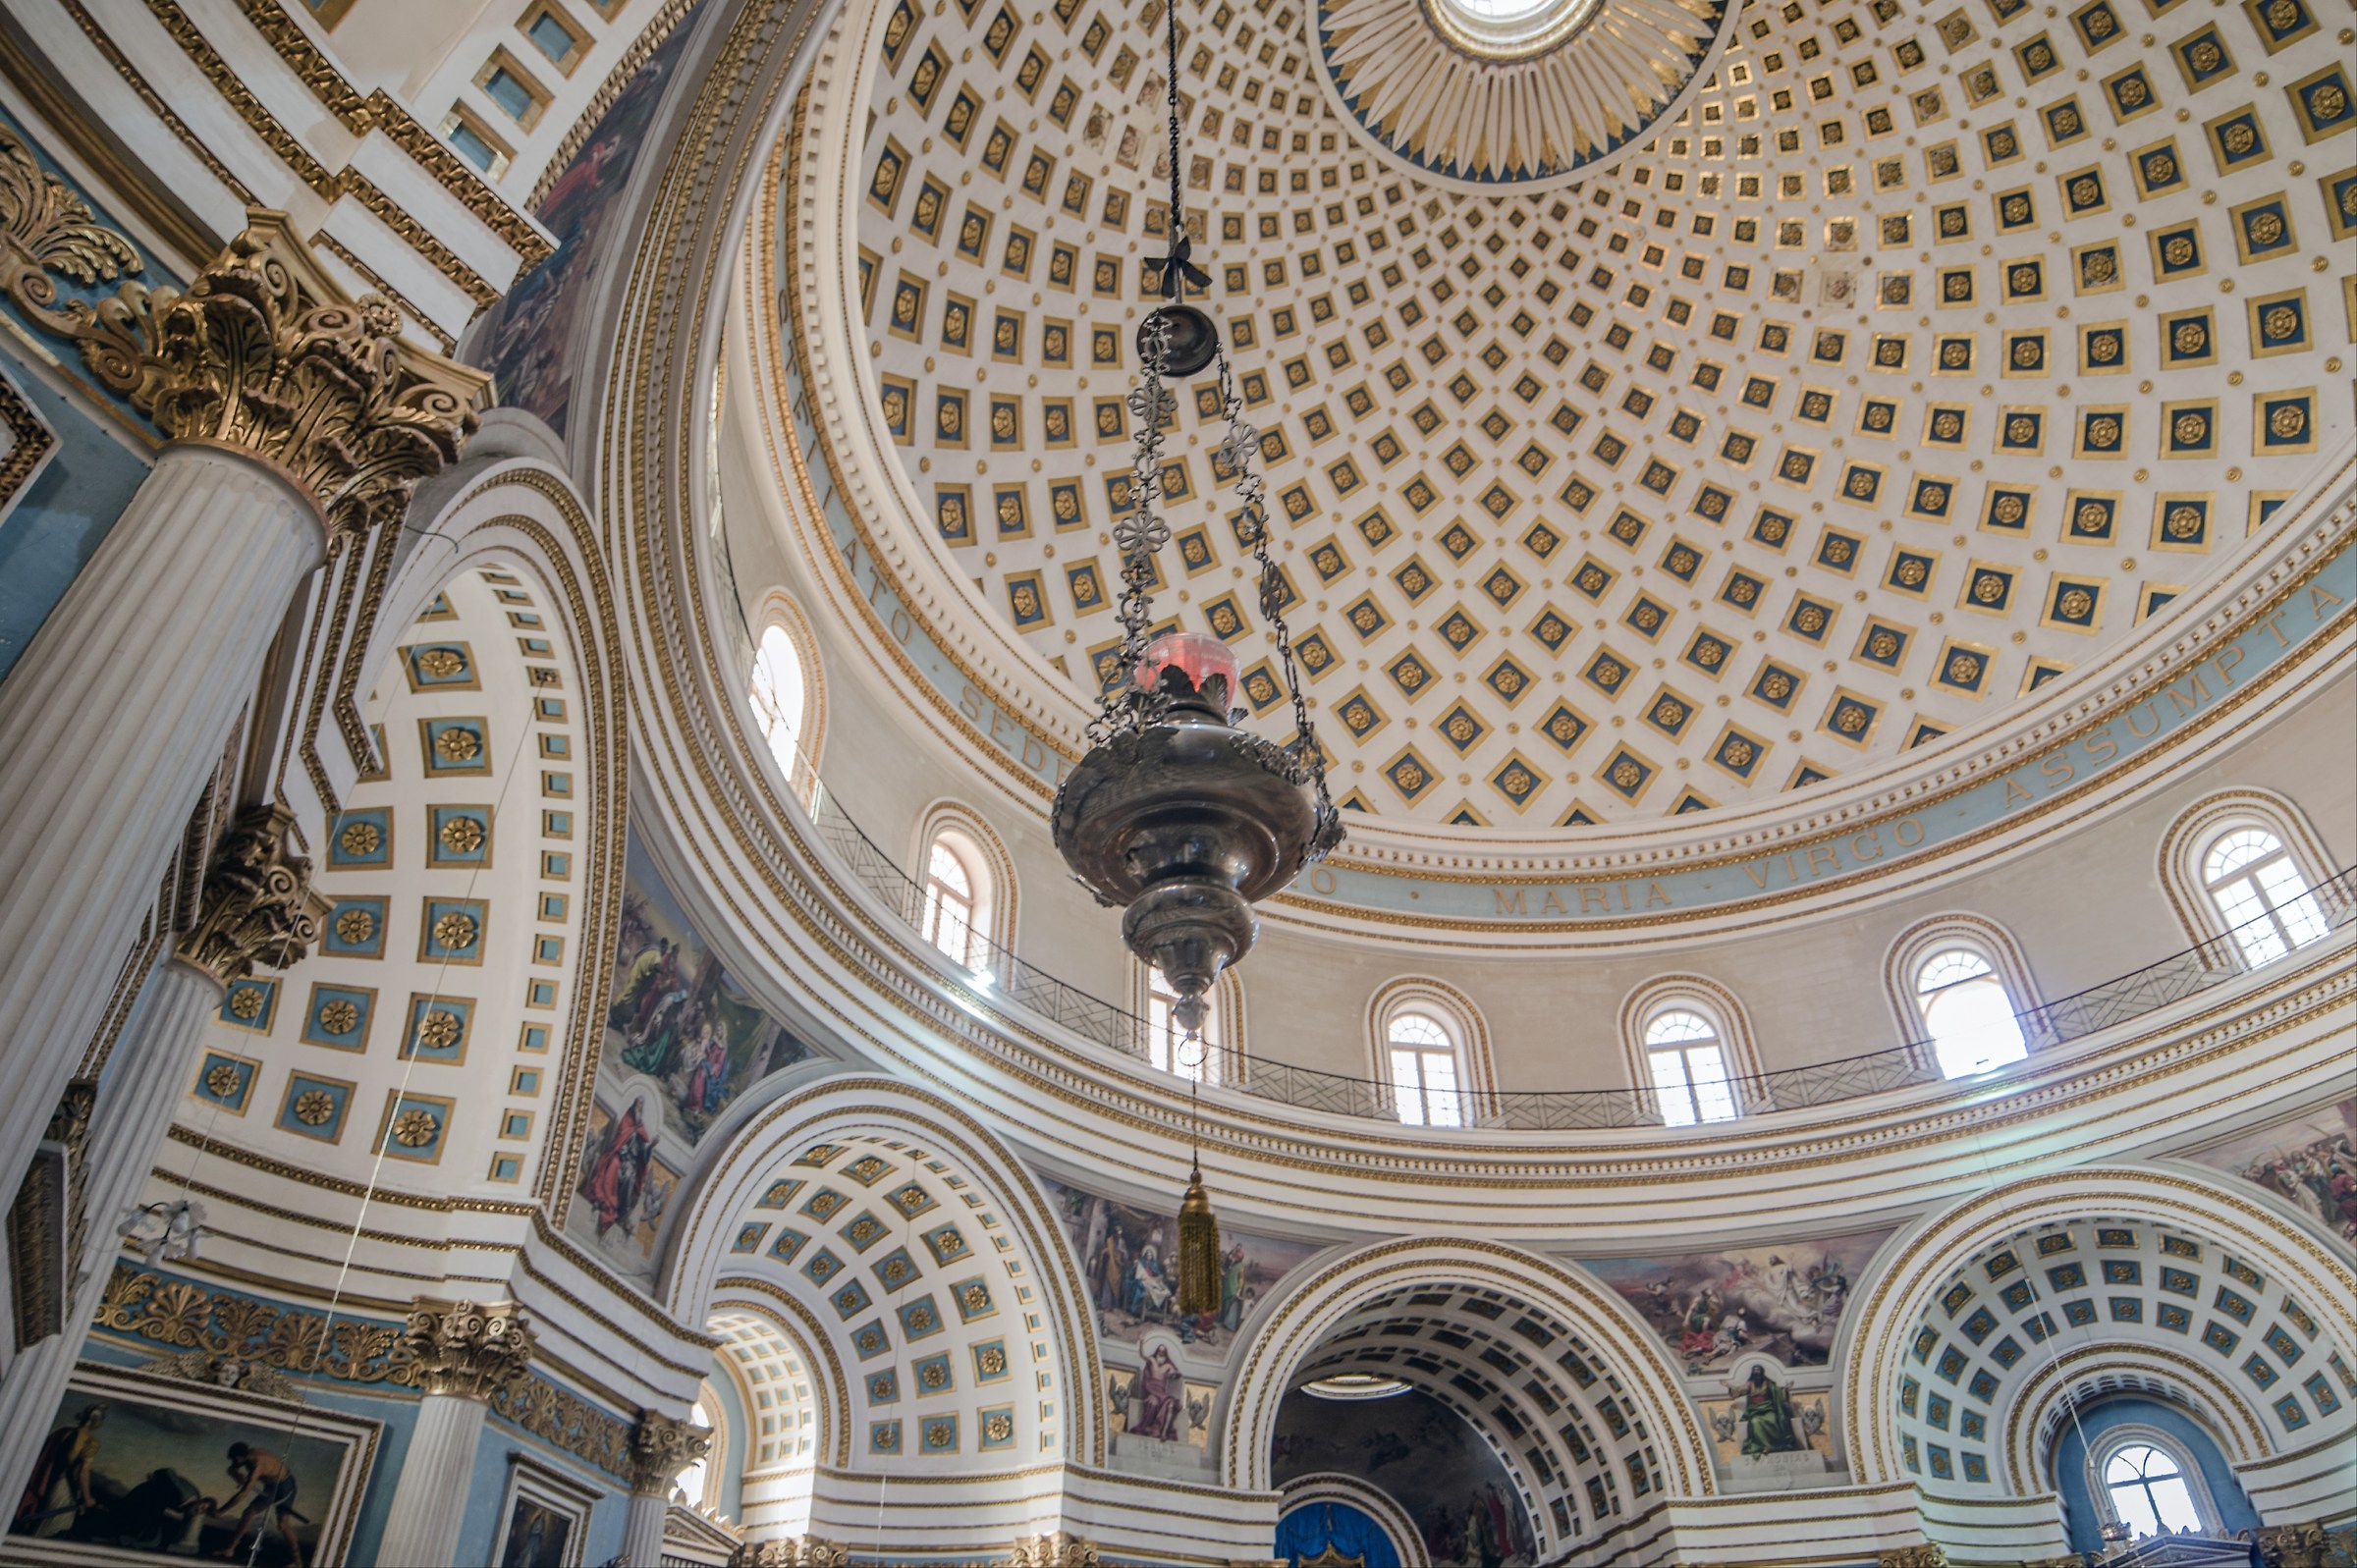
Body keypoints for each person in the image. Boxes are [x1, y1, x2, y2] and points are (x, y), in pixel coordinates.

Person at [14, 1403, 105, 1537]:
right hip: (65, 1488)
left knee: (40, 1525)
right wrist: (87, 1498)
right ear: (97, 1423)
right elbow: (83, 1472)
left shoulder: (62, 1432)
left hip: (45, 1483)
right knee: (53, 1528)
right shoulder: (91, 1442)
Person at [215, 1442, 305, 1568]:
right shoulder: (246, 1457)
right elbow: (231, 1470)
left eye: (234, 1459)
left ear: (240, 1457)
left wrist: (221, 1511)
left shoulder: (258, 1464)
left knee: (282, 1525)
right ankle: (230, 1550)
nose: (233, 1462)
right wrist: (239, 1477)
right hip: (270, 1487)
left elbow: (242, 1495)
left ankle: (297, 1562)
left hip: (285, 1486)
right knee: (248, 1513)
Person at [583, 1096, 656, 1238]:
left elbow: (643, 1155)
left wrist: (651, 1146)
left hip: (631, 1162)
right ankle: (606, 1202)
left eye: (642, 1104)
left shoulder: (641, 1129)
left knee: (629, 1178)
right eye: (638, 1103)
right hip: (618, 1155)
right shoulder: (627, 1120)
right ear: (634, 1104)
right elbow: (619, 1140)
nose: (639, 1106)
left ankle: (621, 1214)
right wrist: (623, 1153)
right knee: (614, 1166)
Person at [1738, 1365, 1802, 1455]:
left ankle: (1775, 1445)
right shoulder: (1749, 1384)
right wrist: (1729, 1386)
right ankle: (1764, 1446)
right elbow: (1739, 1390)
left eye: (1758, 1371)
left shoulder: (1768, 1384)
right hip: (1755, 1412)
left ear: (1762, 1373)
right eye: (1755, 1371)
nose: (1756, 1373)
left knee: (1773, 1420)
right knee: (1755, 1422)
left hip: (1768, 1409)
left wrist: (1785, 1389)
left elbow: (1778, 1392)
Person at [1134, 1345, 1181, 1440]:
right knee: (1153, 1402)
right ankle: (1149, 1426)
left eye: (1163, 1352)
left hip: (1160, 1391)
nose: (1161, 1353)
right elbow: (1142, 1355)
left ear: (1165, 1354)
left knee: (1169, 1403)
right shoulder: (1152, 1360)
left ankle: (1161, 1430)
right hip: (1150, 1388)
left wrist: (1174, 1374)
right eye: (1159, 1351)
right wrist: (1142, 1342)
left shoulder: (1168, 1366)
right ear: (1157, 1351)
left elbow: (1175, 1374)